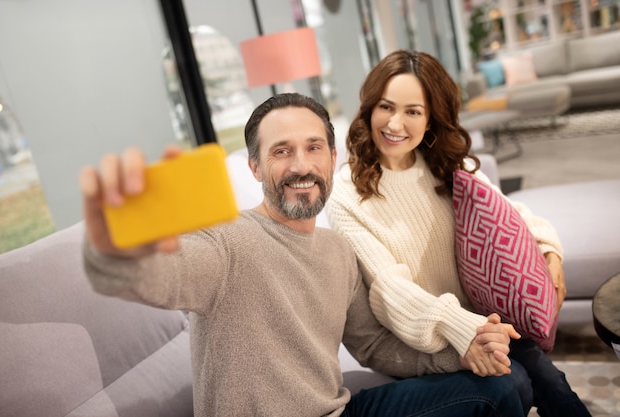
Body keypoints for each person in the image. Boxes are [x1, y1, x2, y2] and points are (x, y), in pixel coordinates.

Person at [80, 92, 532, 417]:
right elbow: (159, 276)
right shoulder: (227, 241)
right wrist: (119, 250)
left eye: (313, 148)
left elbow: (372, 345)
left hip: (340, 410)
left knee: (506, 383)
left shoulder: (336, 250)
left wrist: (460, 352)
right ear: (254, 166)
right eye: (281, 151)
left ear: (332, 158)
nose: (300, 166)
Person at [324, 50, 591, 417]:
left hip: (483, 322)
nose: (395, 124)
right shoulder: (347, 195)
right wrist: (468, 328)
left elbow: (508, 216)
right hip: (420, 339)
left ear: (432, 118)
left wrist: (550, 252)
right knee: (517, 383)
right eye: (386, 107)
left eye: (413, 111)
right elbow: (390, 289)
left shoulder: (448, 166)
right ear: (369, 108)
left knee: (552, 384)